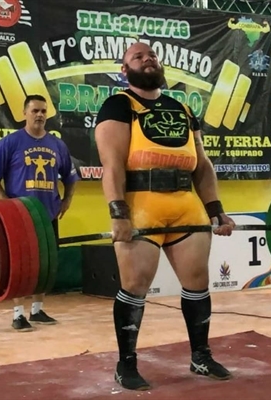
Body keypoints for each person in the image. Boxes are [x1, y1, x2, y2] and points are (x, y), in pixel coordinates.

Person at [94, 42, 236, 391]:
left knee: (198, 282)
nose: (147, 59)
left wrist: (216, 210)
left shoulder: (183, 108)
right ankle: (126, 365)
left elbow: (202, 165)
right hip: (141, 203)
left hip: (186, 202)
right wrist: (118, 214)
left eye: (152, 55)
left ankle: (200, 356)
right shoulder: (118, 105)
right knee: (135, 285)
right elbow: (111, 166)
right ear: (124, 70)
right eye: (138, 57)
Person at [0, 94, 79, 332]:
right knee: (22, 266)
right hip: (21, 218)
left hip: (48, 215)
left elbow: (70, 176)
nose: (40, 115)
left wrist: (67, 200)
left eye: (43, 111)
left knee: (44, 265)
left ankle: (37, 311)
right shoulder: (11, 142)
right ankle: (18, 315)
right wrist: (6, 203)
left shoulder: (58, 145)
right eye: (35, 110)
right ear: (25, 113)